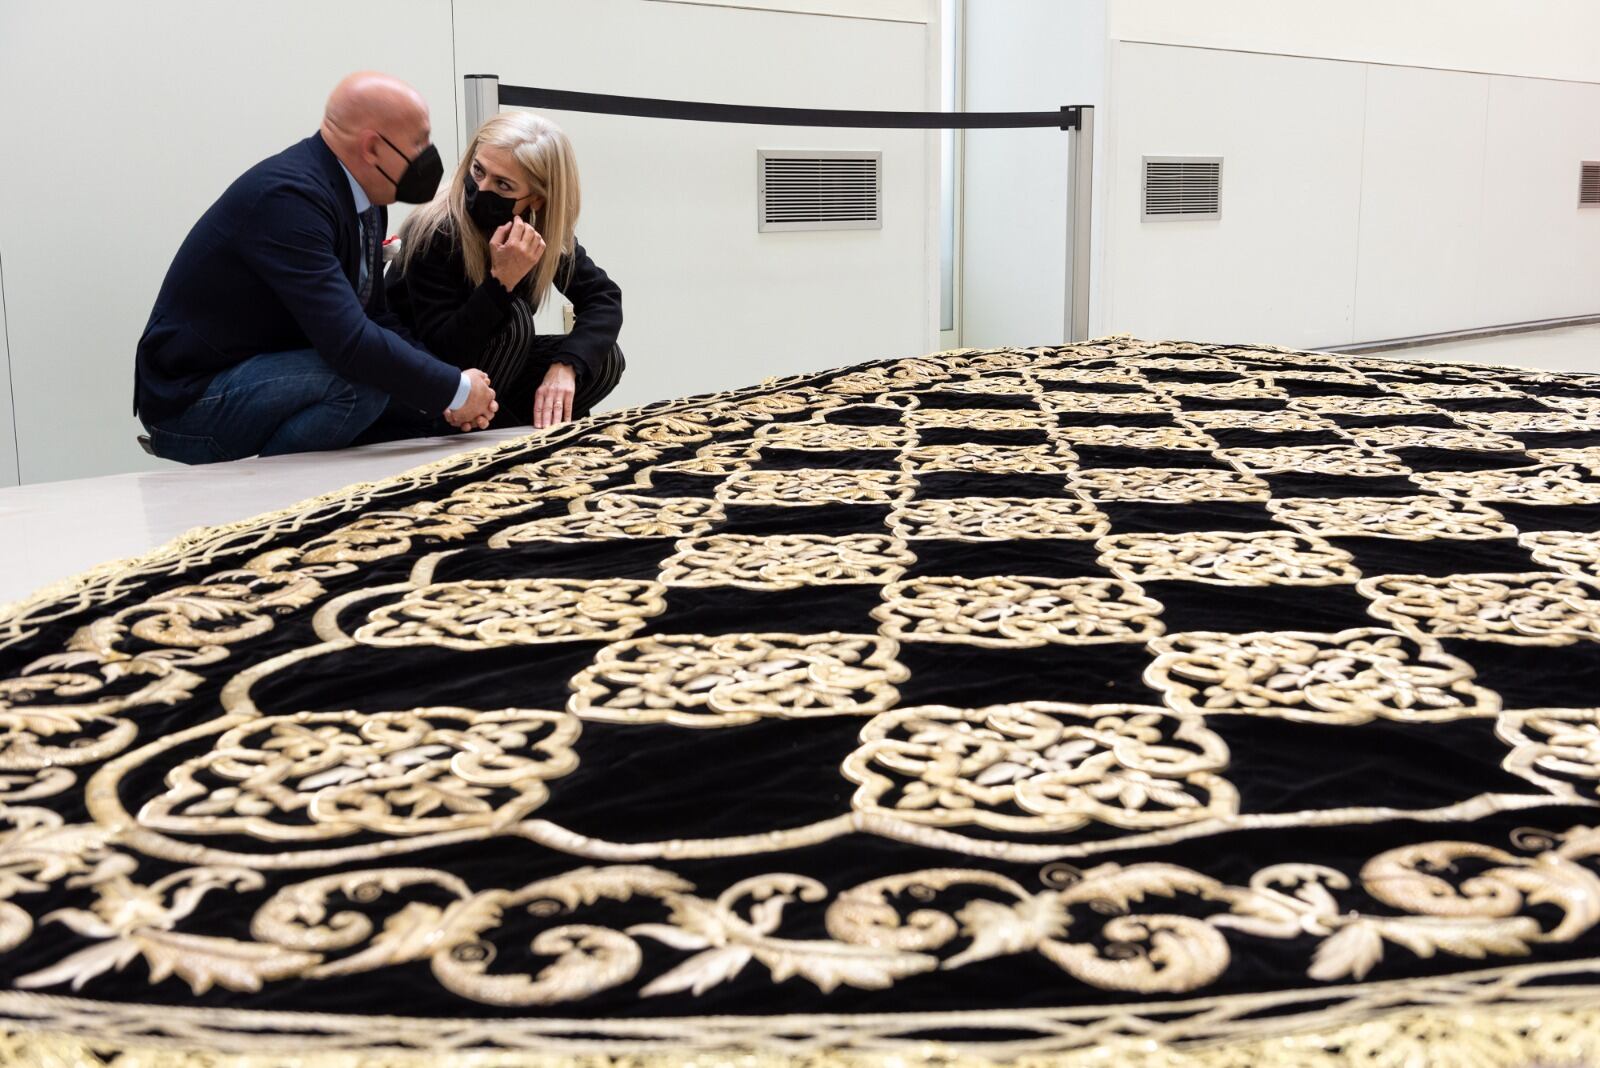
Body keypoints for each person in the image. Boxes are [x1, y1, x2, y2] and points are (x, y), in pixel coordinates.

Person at [133, 72, 499, 464]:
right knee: (360, 384)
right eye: (418, 142)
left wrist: (446, 383)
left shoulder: (365, 197)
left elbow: (374, 315)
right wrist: (455, 390)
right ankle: (267, 506)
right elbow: (350, 343)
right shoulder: (290, 200)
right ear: (373, 147)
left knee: (399, 389)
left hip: (258, 374)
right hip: (190, 399)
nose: (428, 154)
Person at [383, 111, 623, 433]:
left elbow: (603, 298)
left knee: (602, 359)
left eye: (503, 185)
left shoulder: (538, 231)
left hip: (494, 374)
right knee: (514, 323)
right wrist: (500, 283)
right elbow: (442, 350)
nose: (481, 188)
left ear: (536, 199)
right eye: (478, 170)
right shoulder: (436, 230)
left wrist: (564, 367)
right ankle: (494, 432)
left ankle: (514, 428)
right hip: (427, 382)